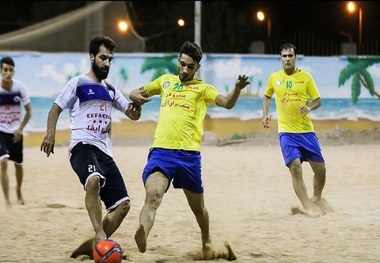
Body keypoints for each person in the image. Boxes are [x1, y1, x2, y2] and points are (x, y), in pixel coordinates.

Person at [129, 40, 249, 260]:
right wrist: (133, 96)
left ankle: (206, 241)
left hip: (189, 156)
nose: (185, 69)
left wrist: (237, 89)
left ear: (197, 68)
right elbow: (138, 92)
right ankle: (143, 231)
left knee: (198, 209)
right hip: (161, 152)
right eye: (182, 64)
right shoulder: (165, 82)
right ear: (178, 61)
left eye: (190, 66)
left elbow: (226, 103)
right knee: (153, 195)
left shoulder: (203, 89)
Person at [40, 36, 141, 259]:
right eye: (103, 58)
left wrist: (138, 106)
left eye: (110, 60)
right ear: (92, 57)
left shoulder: (111, 89)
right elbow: (55, 109)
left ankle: (96, 244)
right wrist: (50, 134)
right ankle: (101, 238)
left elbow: (131, 113)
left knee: (123, 206)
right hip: (81, 147)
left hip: (104, 152)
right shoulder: (77, 83)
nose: (107, 63)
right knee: (93, 180)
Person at [262, 43, 332, 217]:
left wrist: (309, 108)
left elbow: (317, 100)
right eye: (284, 56)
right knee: (294, 167)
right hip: (286, 132)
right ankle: (307, 205)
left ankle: (316, 198)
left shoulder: (306, 77)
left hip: (306, 131)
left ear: (295, 57)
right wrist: (265, 114)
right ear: (280, 58)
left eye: (290, 56)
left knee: (321, 169)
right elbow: (266, 96)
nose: (287, 59)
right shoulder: (274, 78)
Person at [0, 56, 32, 207]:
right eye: (5, 70)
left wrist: (20, 128)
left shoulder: (20, 88)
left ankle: (18, 191)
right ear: (1, 71)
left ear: (13, 72)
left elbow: (29, 112)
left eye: (10, 70)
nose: (8, 73)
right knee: (3, 161)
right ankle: (7, 200)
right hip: (1, 131)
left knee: (18, 164)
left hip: (16, 132)